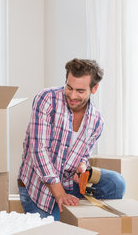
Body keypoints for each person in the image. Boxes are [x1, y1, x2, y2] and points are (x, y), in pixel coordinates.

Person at [17, 58, 125, 220]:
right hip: (39, 189)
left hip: (68, 183)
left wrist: (81, 165)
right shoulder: (47, 100)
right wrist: (59, 194)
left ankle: (96, 218)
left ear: (94, 89)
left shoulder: (96, 121)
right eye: (69, 87)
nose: (72, 95)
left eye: (80, 91)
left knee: (116, 182)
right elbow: (38, 151)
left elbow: (83, 155)